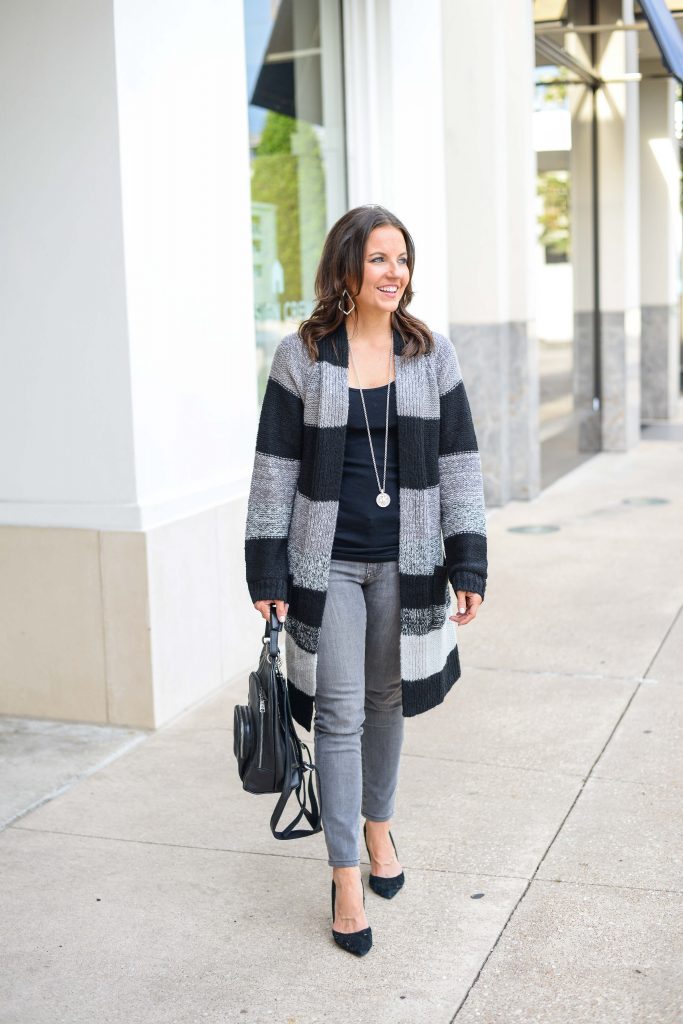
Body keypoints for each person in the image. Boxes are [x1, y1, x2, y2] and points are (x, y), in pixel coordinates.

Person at [244, 204, 488, 957]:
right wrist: (266, 564)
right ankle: (346, 874)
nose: (395, 273)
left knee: (386, 701)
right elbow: (273, 471)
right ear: (347, 267)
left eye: (402, 260)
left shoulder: (430, 353)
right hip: (327, 564)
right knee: (340, 711)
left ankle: (379, 828)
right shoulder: (304, 355)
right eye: (380, 259)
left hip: (408, 564)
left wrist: (468, 559)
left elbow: (459, 467)